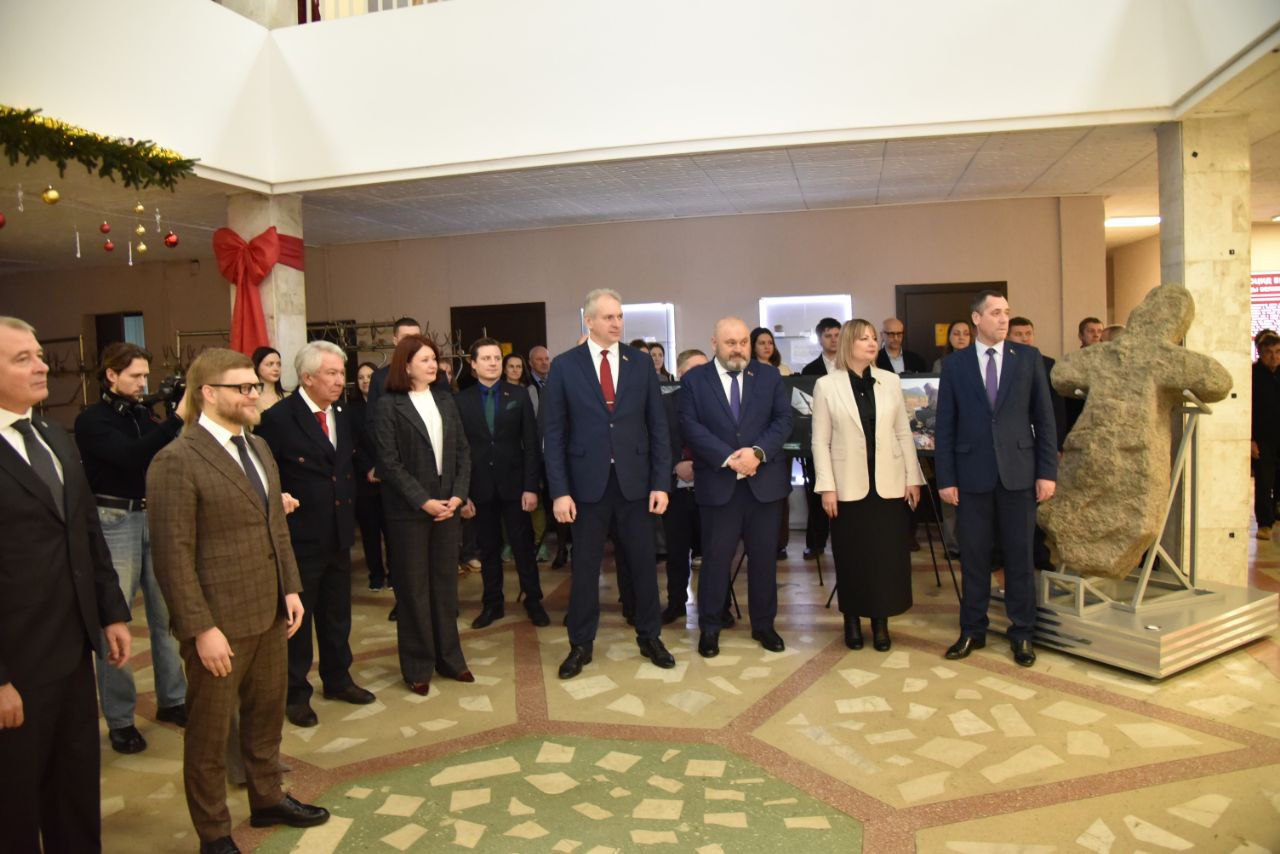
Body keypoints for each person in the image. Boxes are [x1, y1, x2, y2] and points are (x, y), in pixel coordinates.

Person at [148, 347, 326, 854]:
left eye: (256, 387)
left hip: (269, 611)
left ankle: (267, 797)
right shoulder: (176, 460)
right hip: (219, 623)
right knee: (209, 735)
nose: (254, 395)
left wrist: (290, 588)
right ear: (208, 393)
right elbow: (172, 556)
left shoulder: (259, 448)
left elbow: (275, 528)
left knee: (266, 716)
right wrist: (200, 629)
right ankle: (214, 833)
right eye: (243, 388)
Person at [0, 316, 133, 853]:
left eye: (39, 354)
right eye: (23, 358)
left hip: (71, 647)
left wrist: (111, 610)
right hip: (15, 658)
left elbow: (85, 531)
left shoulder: (54, 434)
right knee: (13, 798)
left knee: (74, 785)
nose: (42, 366)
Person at [544, 288, 677, 679]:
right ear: (588, 321)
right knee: (585, 569)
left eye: (619, 316)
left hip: (635, 485)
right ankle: (580, 644)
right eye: (608, 317)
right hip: (586, 487)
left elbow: (658, 427)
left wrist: (661, 483)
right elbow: (554, 434)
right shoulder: (565, 366)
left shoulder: (640, 364)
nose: (617, 323)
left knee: (643, 565)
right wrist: (560, 491)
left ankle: (650, 637)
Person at [73, 341, 187, 755]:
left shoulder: (142, 414)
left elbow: (166, 454)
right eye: (135, 376)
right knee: (116, 620)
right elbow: (129, 456)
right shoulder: (91, 420)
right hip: (114, 520)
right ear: (111, 375)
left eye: (145, 376)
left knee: (165, 615)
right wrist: (175, 419)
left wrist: (172, 420)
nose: (143, 383)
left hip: (153, 515)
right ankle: (121, 719)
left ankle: (173, 699)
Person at [255, 341, 375, 728]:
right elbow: (266, 474)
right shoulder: (278, 418)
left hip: (339, 531)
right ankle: (296, 692)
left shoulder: (343, 413)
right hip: (300, 536)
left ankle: (338, 679)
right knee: (298, 621)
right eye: (331, 374)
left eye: (342, 373)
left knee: (337, 614)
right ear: (307, 378)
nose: (340, 381)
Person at [935, 291, 1057, 668]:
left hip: (1019, 475)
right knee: (974, 558)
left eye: (1006, 312)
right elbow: (945, 425)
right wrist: (945, 478)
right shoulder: (955, 365)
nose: (1004, 319)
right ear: (977, 318)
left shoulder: (1028, 358)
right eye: (995, 313)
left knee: (1020, 557)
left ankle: (1023, 633)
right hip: (971, 476)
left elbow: (1045, 419)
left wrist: (1046, 472)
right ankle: (973, 629)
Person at [678, 317, 793, 657]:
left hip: (764, 484)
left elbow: (783, 420)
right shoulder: (695, 380)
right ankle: (710, 628)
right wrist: (729, 458)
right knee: (715, 560)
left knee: (764, 560)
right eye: (731, 343)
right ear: (714, 343)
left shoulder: (769, 376)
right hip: (719, 484)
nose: (738, 349)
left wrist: (757, 453)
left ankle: (764, 625)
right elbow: (689, 425)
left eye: (743, 342)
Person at [811, 319, 924, 651]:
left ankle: (880, 622)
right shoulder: (826, 385)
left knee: (885, 558)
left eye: (874, 338)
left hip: (888, 485)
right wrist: (827, 487)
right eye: (864, 338)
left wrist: (912, 477)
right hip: (848, 487)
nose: (873, 343)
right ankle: (852, 620)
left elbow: (903, 432)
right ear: (849, 343)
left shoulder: (890, 380)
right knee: (852, 557)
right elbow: (820, 442)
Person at [373, 334, 472, 694]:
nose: (434, 365)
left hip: (448, 508)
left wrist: (458, 496)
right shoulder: (388, 405)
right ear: (407, 365)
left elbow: (462, 452)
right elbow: (389, 463)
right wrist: (423, 500)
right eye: (426, 360)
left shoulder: (445, 400)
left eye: (434, 359)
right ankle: (417, 666)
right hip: (409, 512)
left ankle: (450, 659)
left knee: (445, 586)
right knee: (414, 589)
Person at [457, 337, 548, 629]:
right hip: (480, 487)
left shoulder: (518, 395)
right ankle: (492, 604)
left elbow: (531, 445)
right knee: (488, 549)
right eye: (486, 358)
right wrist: (463, 493)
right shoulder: (462, 400)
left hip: (516, 487)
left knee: (523, 547)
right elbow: (459, 450)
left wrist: (531, 487)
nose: (493, 363)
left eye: (497, 358)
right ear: (473, 364)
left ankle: (533, 601)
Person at [662, 348, 707, 624]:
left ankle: (718, 607)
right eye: (694, 369)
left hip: (710, 488)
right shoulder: (666, 403)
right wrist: (676, 464)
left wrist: (699, 466)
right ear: (680, 373)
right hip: (676, 489)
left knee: (714, 553)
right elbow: (658, 440)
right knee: (676, 553)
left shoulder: (718, 402)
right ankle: (676, 603)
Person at [800, 317, 843, 561]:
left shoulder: (851, 364)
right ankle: (815, 543)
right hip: (819, 439)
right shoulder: (809, 370)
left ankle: (844, 541)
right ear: (820, 339)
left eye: (837, 335)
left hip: (846, 439)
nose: (834, 340)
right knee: (818, 492)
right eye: (828, 336)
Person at [349, 361, 389, 589]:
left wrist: (381, 466)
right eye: (361, 377)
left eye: (370, 376)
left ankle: (395, 573)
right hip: (364, 480)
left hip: (389, 477)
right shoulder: (350, 410)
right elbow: (352, 444)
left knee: (391, 531)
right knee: (369, 532)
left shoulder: (387, 403)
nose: (365, 381)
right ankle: (376, 575)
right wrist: (369, 467)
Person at [1252, 334, 1280, 540]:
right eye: (1268, 352)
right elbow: (1248, 410)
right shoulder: (1252, 376)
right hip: (1262, 439)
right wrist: (1250, 439)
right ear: (1260, 353)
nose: (1274, 357)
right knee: (1264, 482)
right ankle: (1264, 523)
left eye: (1278, 352)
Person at [1063, 316, 1104, 433]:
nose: (1096, 335)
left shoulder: (1111, 360)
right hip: (1078, 416)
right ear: (1080, 336)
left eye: (1099, 331)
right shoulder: (1070, 361)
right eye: (1091, 331)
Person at [252, 346, 286, 412]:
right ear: (257, 366)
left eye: (278, 364)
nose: (276, 369)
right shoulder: (249, 397)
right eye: (270, 364)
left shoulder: (288, 396)